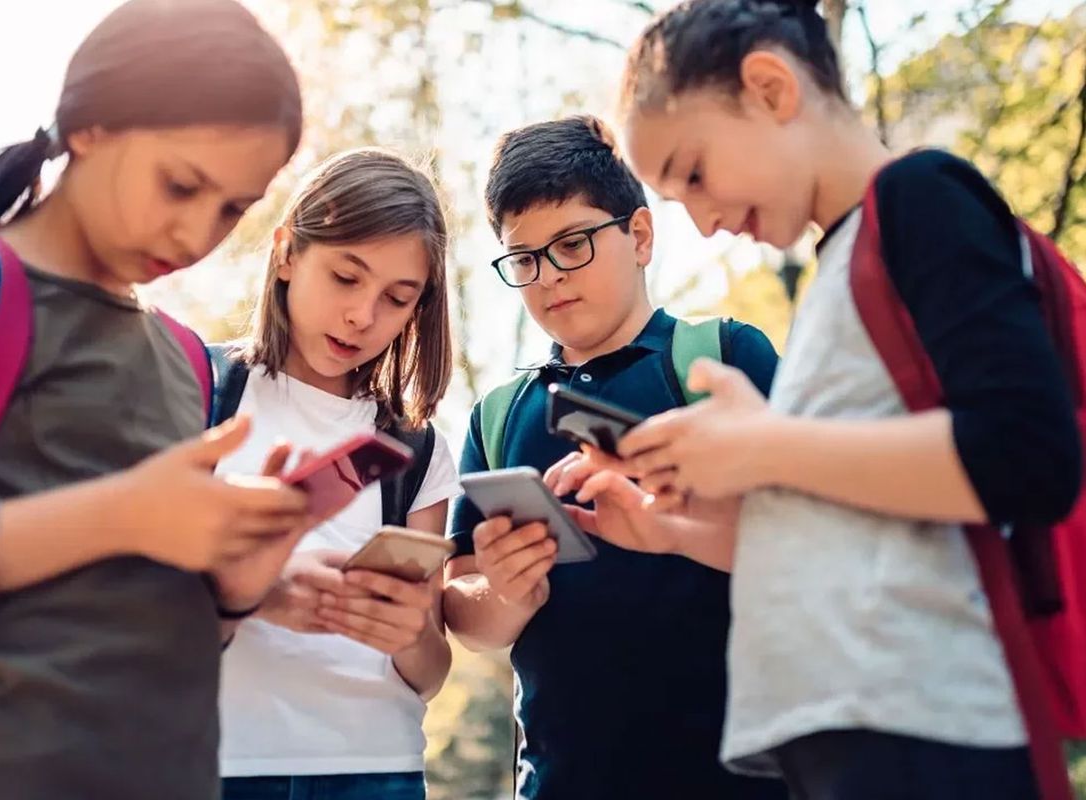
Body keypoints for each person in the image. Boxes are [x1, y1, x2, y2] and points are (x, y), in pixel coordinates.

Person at [589, 1, 1082, 797]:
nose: (706, 223)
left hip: (933, 729)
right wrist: (681, 521)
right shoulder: (838, 274)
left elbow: (1027, 454)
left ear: (770, 87)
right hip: (860, 736)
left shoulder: (922, 197)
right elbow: (870, 521)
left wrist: (766, 445)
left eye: (693, 174)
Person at [0, 2, 310, 798]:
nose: (194, 237)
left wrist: (238, 586)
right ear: (93, 126)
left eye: (233, 210)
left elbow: (141, 617)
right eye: (181, 185)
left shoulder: (186, 357)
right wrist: (117, 514)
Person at [442, 115, 783, 800]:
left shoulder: (722, 361)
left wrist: (673, 514)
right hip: (563, 782)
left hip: (743, 780)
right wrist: (508, 591)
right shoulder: (500, 415)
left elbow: (812, 545)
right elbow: (464, 610)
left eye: (572, 243)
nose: (549, 277)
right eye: (526, 258)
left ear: (639, 236)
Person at [217, 148, 460, 800]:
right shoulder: (199, 394)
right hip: (216, 758)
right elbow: (128, 595)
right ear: (287, 253)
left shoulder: (417, 449)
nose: (362, 316)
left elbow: (430, 671)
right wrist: (255, 589)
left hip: (375, 769)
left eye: (396, 298)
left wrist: (409, 632)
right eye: (346, 278)